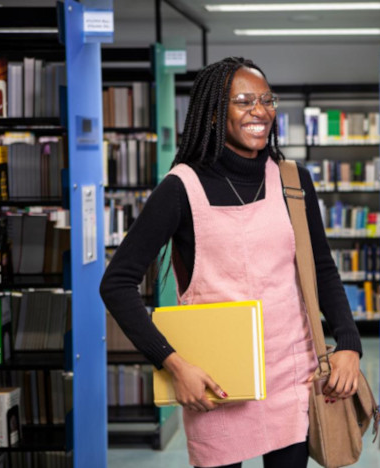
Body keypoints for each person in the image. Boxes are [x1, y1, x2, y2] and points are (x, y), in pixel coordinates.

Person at [99, 57, 363, 468]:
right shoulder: (180, 188)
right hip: (215, 382)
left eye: (267, 99)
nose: (260, 110)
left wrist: (348, 343)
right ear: (212, 114)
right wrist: (172, 364)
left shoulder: (293, 181)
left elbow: (322, 268)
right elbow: (116, 284)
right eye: (244, 101)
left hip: (292, 375)